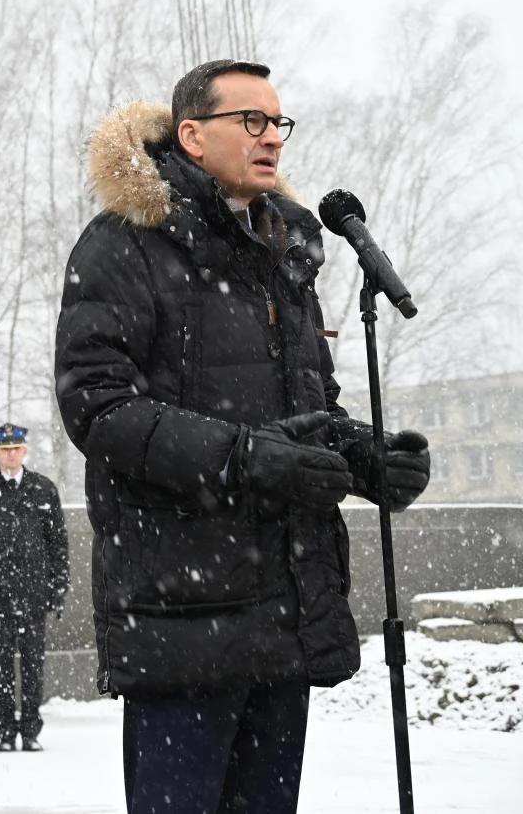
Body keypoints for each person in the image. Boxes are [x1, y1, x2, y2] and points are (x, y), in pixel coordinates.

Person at [54, 59, 431, 813]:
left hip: (279, 609)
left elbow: (309, 403)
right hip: (183, 616)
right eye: (250, 121)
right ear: (192, 135)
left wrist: (359, 455)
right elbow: (97, 408)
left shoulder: (286, 248)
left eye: (278, 122)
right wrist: (246, 459)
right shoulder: (125, 242)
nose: (272, 139)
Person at [0, 424, 68, 753]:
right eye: (5, 449)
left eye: (16, 449)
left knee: (33, 666)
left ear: (25, 452)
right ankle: (6, 732)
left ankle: (31, 730)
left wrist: (58, 585)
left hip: (33, 593)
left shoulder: (43, 489)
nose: (11, 454)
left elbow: (57, 543)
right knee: (2, 667)